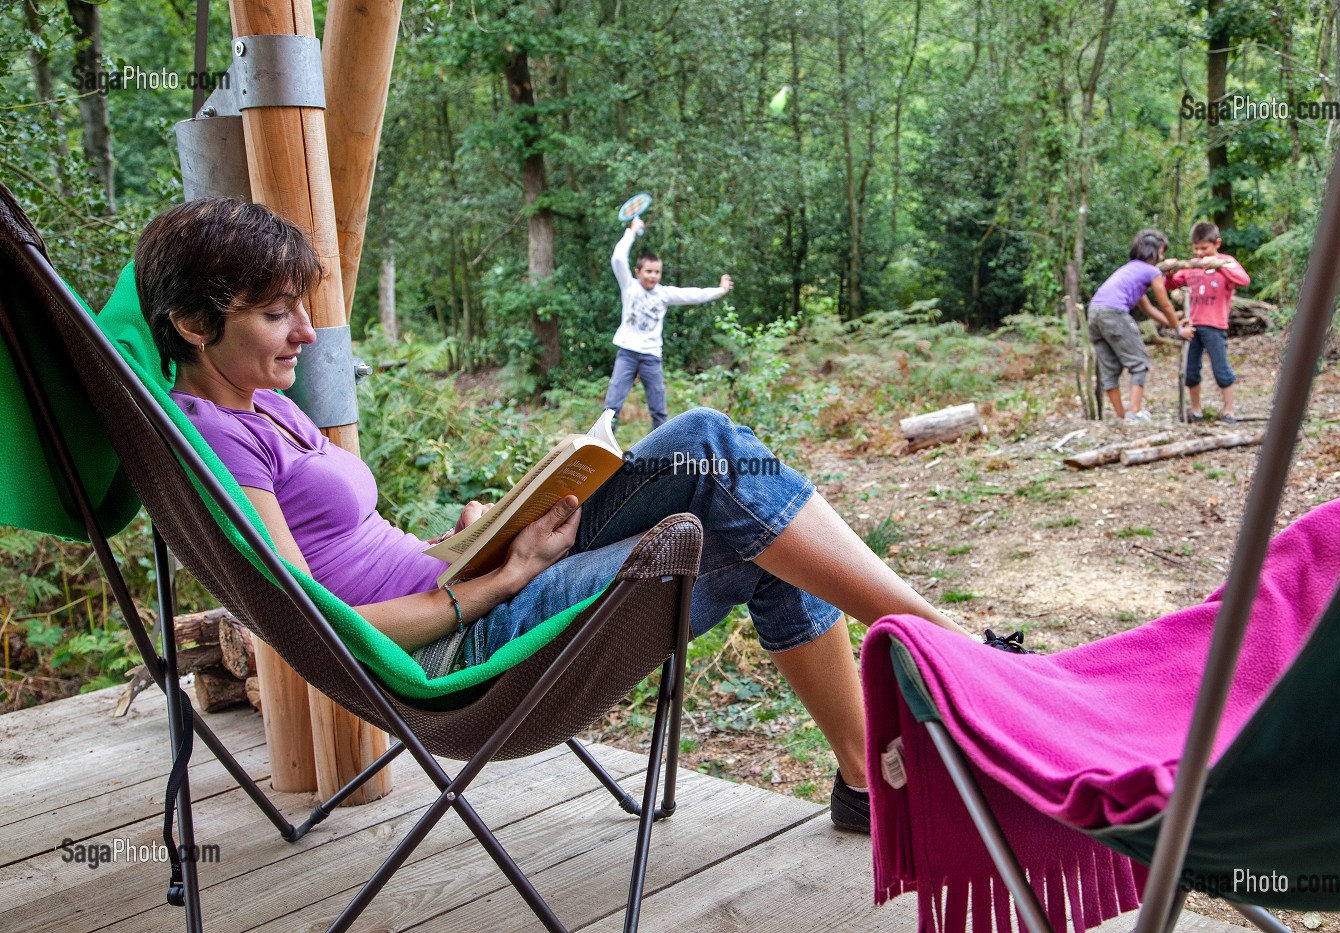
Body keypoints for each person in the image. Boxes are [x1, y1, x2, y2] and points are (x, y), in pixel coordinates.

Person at [133, 198, 1004, 835]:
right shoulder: (218, 439)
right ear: (190, 323)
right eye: (277, 313)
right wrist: (501, 577)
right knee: (725, 481)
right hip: (464, 641)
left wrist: (480, 533)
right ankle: (955, 659)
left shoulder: (267, 406)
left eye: (302, 308)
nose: (306, 335)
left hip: (472, 573)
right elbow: (318, 618)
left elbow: (354, 549)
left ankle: (869, 774)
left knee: (719, 463)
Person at [603, 216, 732, 430]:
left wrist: (720, 291)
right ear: (638, 272)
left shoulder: (664, 294)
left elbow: (694, 295)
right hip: (627, 353)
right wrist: (632, 231)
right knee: (611, 406)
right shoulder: (630, 287)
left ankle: (660, 456)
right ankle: (599, 451)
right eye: (648, 271)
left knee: (659, 409)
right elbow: (618, 259)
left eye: (657, 272)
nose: (653, 276)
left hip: (651, 357)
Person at [1086, 229, 1193, 421]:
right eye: (1162, 252)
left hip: (1094, 312)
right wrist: (1179, 329)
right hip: (1114, 313)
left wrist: (1172, 322)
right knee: (1139, 362)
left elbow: (1149, 309)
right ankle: (1134, 413)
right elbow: (1165, 304)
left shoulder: (1130, 270)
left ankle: (1121, 417)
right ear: (1154, 252)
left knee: (1109, 368)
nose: (1163, 257)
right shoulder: (1151, 271)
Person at [1162, 222, 1250, 424]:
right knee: (1191, 371)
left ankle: (1229, 411)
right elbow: (1171, 284)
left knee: (1221, 370)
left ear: (1216, 244)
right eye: (1196, 248)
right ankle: (1196, 410)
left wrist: (1217, 264)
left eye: (1204, 248)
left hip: (1215, 326)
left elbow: (1244, 280)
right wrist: (1168, 272)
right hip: (1192, 326)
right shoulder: (1191, 267)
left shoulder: (1226, 262)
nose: (1200, 253)